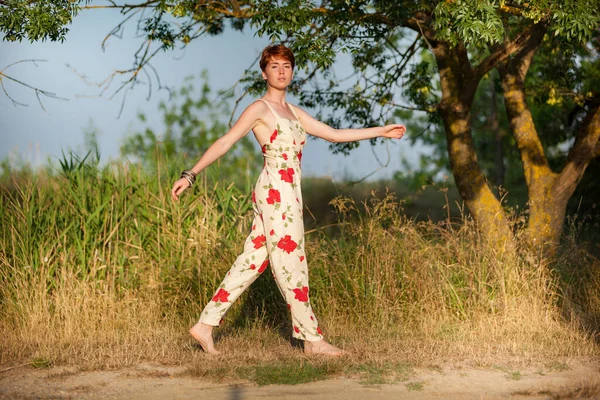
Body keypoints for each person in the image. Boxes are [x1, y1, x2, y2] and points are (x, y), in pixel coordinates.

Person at [171, 44, 406, 356]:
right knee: (291, 262)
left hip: (289, 193)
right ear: (264, 72)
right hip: (275, 193)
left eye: (286, 66)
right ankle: (312, 339)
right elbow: (226, 141)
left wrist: (381, 131)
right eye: (274, 66)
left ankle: (205, 325)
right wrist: (190, 174)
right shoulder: (259, 109)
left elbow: (333, 134)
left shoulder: (294, 112)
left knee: (252, 261)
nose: (281, 72)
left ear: (292, 72)